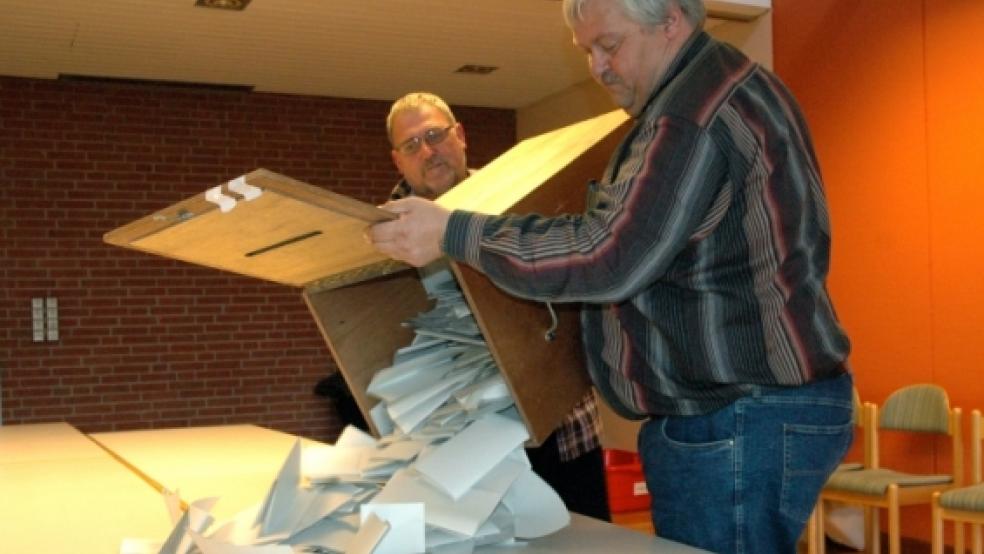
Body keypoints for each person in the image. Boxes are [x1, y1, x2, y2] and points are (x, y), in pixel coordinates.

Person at [370, 1, 854, 550]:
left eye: (610, 45)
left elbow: (609, 256)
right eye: (586, 51)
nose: (597, 66)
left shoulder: (692, 113)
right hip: (744, 410)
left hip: (736, 416)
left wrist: (456, 234)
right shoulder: (720, 89)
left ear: (669, 19)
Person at [385, 91, 612, 522]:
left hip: (560, 430)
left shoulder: (520, 200)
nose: (428, 150)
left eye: (435, 134)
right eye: (411, 144)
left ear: (461, 135)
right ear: (397, 160)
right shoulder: (383, 240)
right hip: (460, 447)